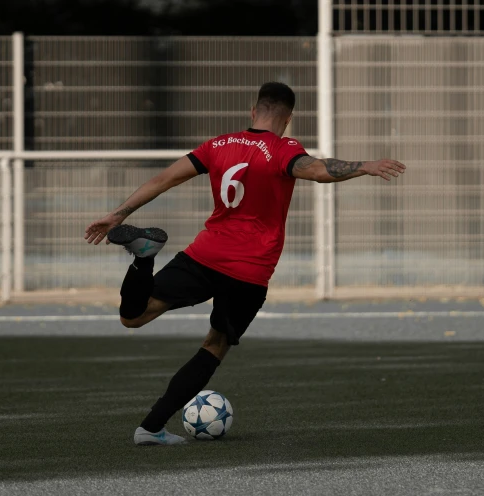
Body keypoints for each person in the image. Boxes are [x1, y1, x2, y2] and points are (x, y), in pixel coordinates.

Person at [84, 82, 406, 445]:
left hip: (205, 254)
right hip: (249, 272)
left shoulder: (217, 145)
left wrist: (118, 214)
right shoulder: (284, 149)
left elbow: (163, 179)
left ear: (253, 112)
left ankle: (144, 259)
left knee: (133, 315)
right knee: (215, 344)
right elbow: (316, 170)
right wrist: (366, 165)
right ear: (289, 118)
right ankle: (151, 427)